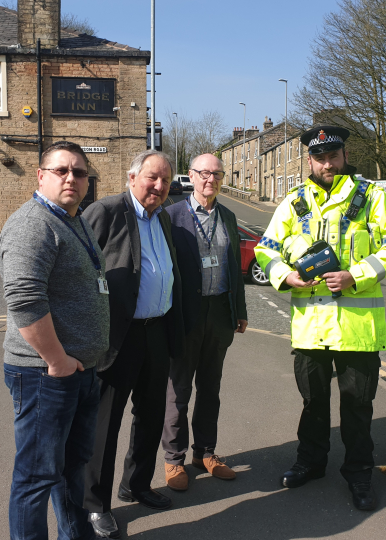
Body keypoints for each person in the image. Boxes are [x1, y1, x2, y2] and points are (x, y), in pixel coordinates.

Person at [254, 125, 386, 511]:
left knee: (358, 406)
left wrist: (355, 275)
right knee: (313, 403)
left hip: (357, 329)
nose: (327, 164)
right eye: (320, 158)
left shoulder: (369, 196)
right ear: (310, 160)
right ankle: (311, 462)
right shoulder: (293, 201)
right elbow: (266, 249)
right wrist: (283, 275)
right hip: (310, 328)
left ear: (343, 156)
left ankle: (359, 474)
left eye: (333, 156)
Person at [0, 140, 109, 540]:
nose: (71, 178)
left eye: (79, 172)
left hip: (80, 371)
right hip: (46, 374)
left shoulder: (73, 220)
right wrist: (57, 359)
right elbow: (25, 299)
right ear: (40, 175)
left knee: (71, 466)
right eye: (61, 170)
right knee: (36, 476)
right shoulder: (32, 223)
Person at [82, 149, 184, 539]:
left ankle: (136, 485)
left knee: (151, 415)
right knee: (105, 426)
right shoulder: (106, 212)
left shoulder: (164, 218)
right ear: (132, 177)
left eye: (165, 181)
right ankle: (95, 505)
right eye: (152, 178)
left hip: (156, 331)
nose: (159, 186)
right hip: (117, 337)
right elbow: (79, 272)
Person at [161, 154, 248, 491]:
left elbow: (235, 271)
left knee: (210, 389)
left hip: (220, 314)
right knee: (178, 391)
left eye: (216, 173)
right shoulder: (172, 216)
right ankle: (173, 459)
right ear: (191, 176)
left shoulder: (227, 215)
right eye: (204, 173)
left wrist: (239, 310)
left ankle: (205, 453)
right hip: (186, 315)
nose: (210, 179)